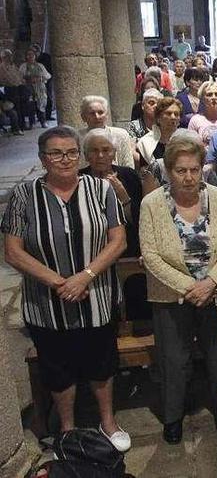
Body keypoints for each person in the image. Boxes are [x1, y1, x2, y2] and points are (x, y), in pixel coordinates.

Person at [2, 126, 130, 451]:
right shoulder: (24, 195)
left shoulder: (101, 189)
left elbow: (118, 241)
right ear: (43, 158)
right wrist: (59, 282)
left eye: (72, 152)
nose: (65, 159)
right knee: (58, 365)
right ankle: (68, 427)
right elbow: (13, 251)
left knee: (101, 361)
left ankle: (108, 421)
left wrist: (84, 276)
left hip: (96, 295)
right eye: (56, 153)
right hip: (47, 301)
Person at [139, 136, 217, 444]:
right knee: (174, 358)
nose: (188, 177)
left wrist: (210, 283)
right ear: (169, 170)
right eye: (181, 170)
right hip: (170, 294)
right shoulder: (152, 203)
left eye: (194, 170)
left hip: (215, 290)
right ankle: (172, 417)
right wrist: (189, 287)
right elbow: (151, 255)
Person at [80, 129, 143, 257]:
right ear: (86, 155)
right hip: (91, 248)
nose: (100, 156)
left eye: (106, 150)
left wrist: (124, 197)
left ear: (114, 154)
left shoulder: (129, 176)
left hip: (128, 247)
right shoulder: (78, 179)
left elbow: (139, 222)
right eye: (94, 151)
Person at [79, 95, 136, 169]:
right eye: (92, 113)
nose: (97, 117)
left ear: (106, 115)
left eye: (100, 112)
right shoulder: (77, 138)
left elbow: (129, 167)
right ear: (83, 117)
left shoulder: (121, 135)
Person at [136, 97, 192, 170]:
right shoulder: (146, 143)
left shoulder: (186, 141)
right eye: (168, 113)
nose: (173, 117)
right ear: (158, 118)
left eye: (176, 114)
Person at [20, 48, 51, 128]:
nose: (30, 56)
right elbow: (19, 77)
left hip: (40, 88)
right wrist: (26, 80)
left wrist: (41, 78)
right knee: (30, 106)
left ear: (35, 56)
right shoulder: (23, 66)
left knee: (41, 105)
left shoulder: (40, 65)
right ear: (26, 56)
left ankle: (43, 122)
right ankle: (31, 123)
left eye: (32, 55)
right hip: (29, 88)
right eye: (28, 55)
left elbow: (48, 75)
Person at [0, 49, 25, 134]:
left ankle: (21, 126)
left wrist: (20, 82)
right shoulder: (2, 67)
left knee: (20, 107)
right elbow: (6, 79)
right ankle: (16, 128)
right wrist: (15, 83)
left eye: (10, 56)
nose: (10, 58)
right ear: (3, 57)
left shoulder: (13, 66)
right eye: (8, 56)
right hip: (10, 89)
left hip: (18, 88)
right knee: (14, 109)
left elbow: (19, 76)